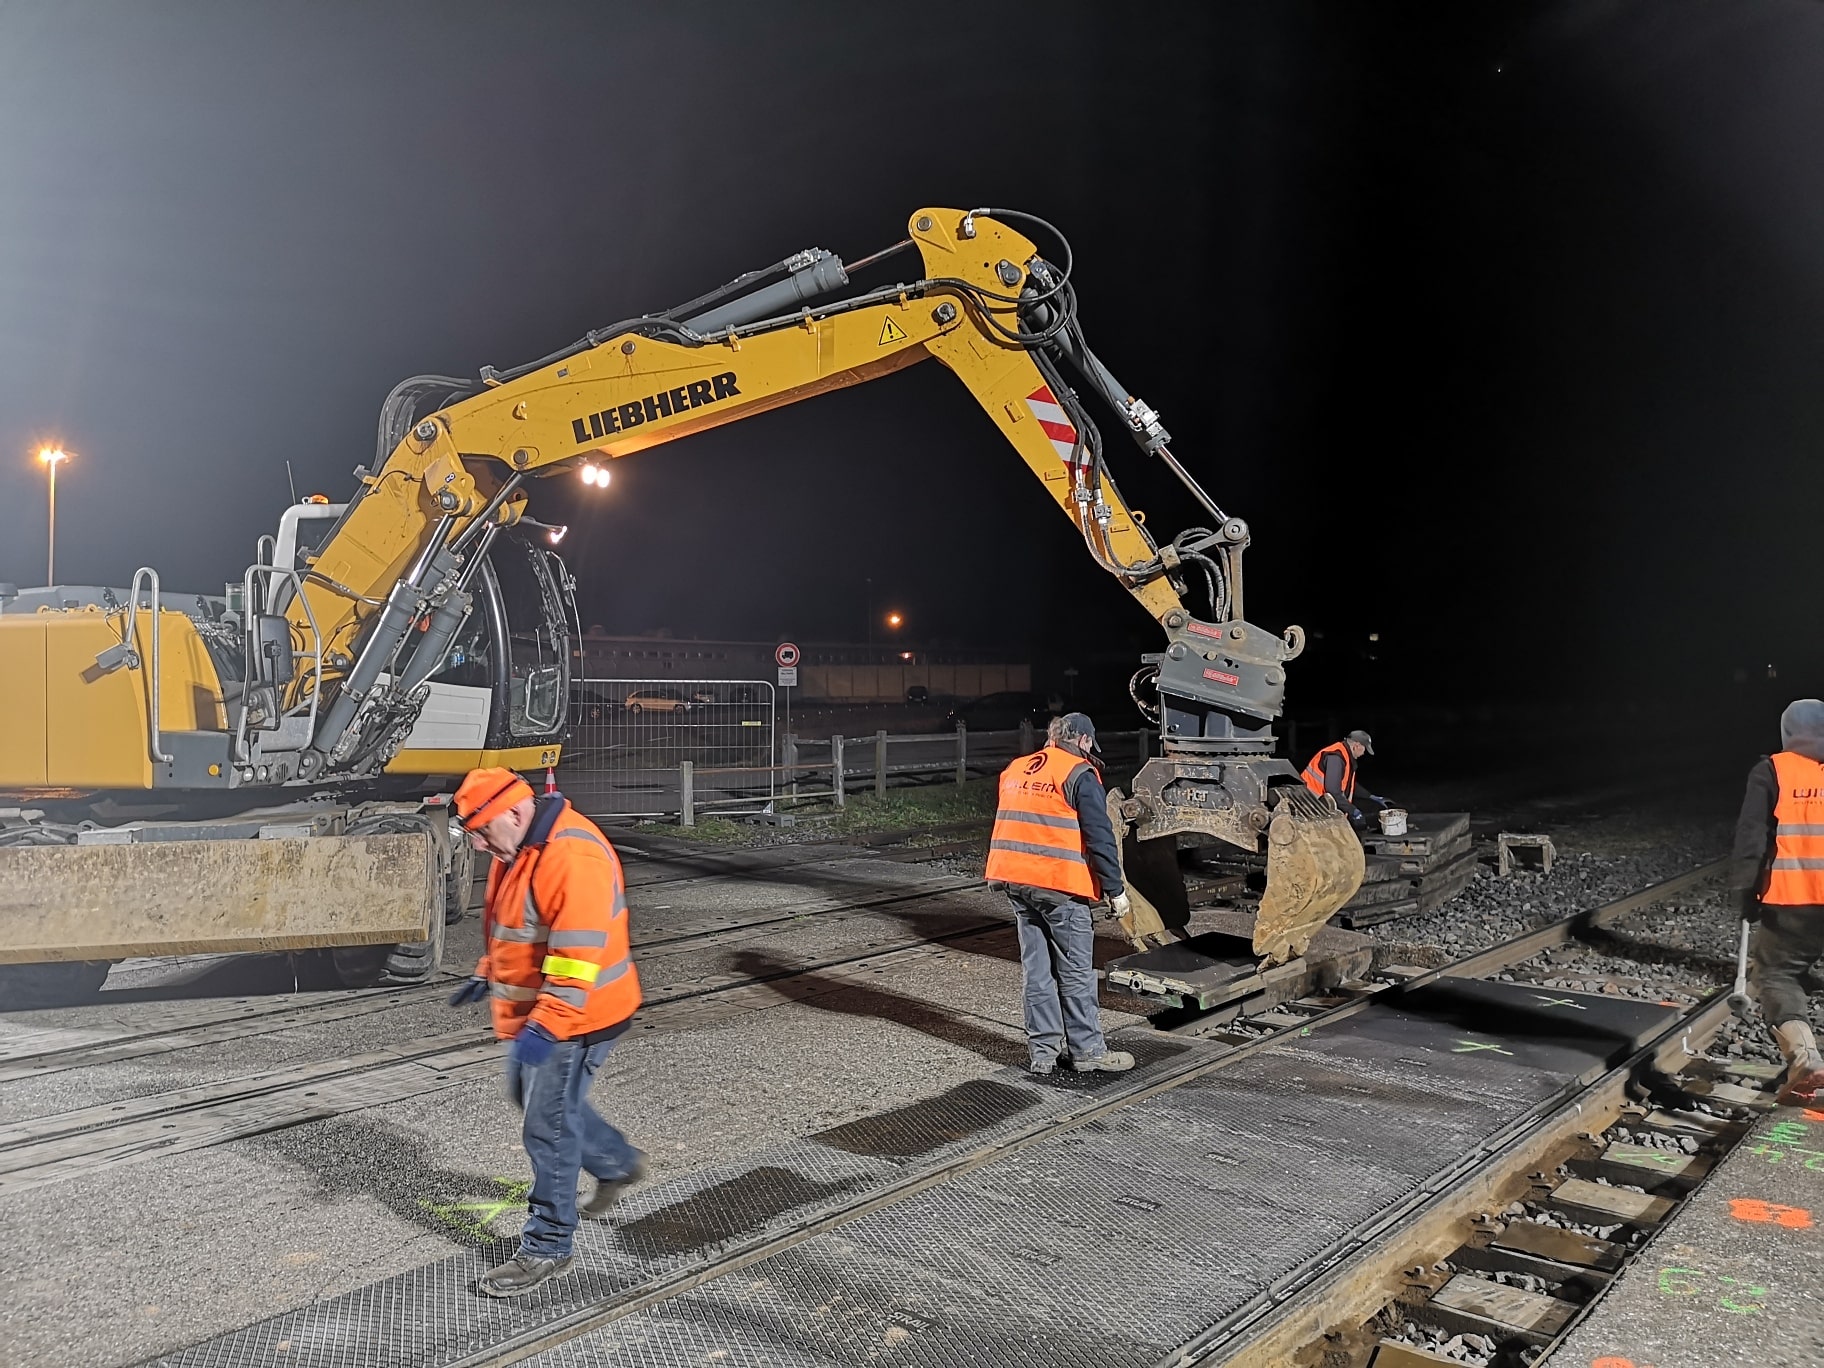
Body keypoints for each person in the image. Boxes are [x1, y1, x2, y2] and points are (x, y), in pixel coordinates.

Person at [447, 767, 646, 1297]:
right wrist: (487, 970)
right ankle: (617, 1163)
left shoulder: (570, 857)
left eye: (485, 832)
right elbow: (513, 925)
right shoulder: (516, 849)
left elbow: (576, 963)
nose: (483, 844)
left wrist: (547, 1029)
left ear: (513, 812)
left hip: (577, 1017)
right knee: (538, 1102)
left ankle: (547, 1245)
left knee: (547, 1127)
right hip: (549, 1015)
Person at [985, 712, 1135, 1076]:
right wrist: (1115, 891)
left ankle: (1043, 1053)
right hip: (1059, 889)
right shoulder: (1078, 775)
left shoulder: (1017, 769)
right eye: (1089, 746)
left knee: (1037, 973)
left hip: (1016, 885)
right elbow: (1100, 837)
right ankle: (1087, 1051)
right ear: (1083, 741)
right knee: (1076, 973)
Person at [1732, 699, 1824, 1104]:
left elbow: (1752, 837)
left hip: (1794, 900)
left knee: (1776, 976)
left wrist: (1745, 892)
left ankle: (1805, 1059)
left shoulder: (1772, 770)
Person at [1300, 729, 1392, 831]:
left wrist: (1371, 796)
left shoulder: (1345, 756)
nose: (1364, 753)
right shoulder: (1336, 758)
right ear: (1356, 745)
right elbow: (1333, 791)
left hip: (1318, 804)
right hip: (1310, 805)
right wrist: (1353, 811)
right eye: (1364, 749)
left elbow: (1349, 784)